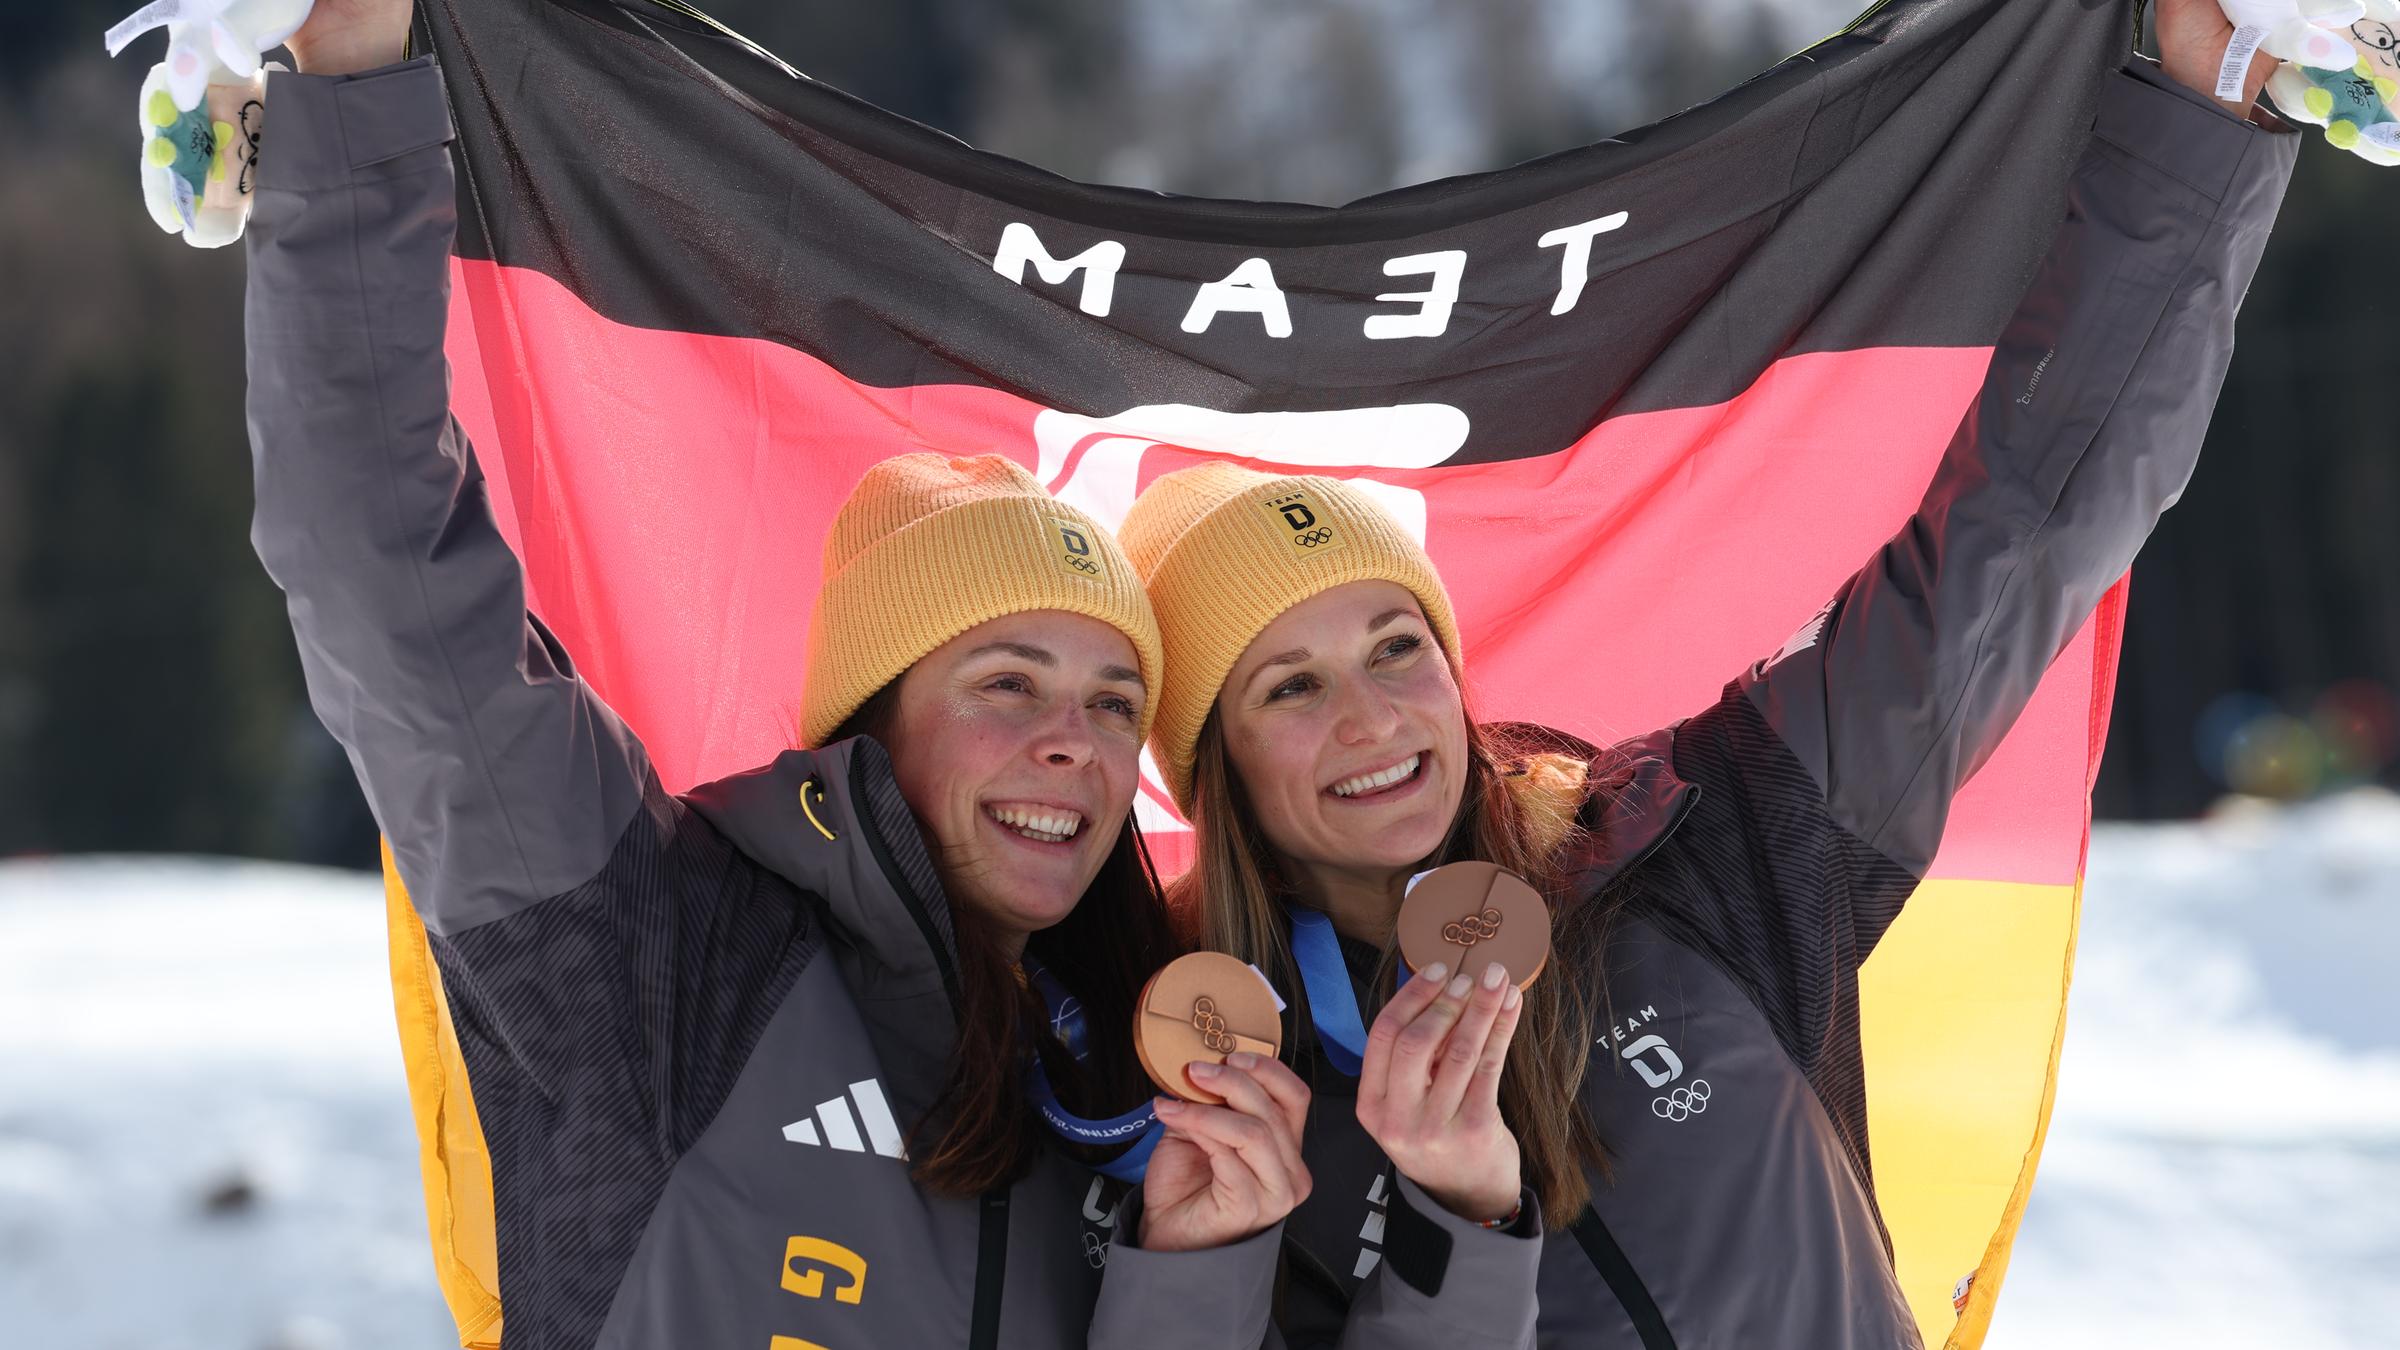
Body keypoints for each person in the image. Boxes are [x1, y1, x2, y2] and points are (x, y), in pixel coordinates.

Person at [1113, 2, 2302, 1344]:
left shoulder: (1702, 843)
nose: (1374, 712)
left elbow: (2019, 531)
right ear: (1212, 764)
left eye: (1399, 647)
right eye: (1291, 685)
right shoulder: (1218, 1100)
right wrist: (1452, 1218)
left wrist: (2213, 111)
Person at [246, 3, 1317, 1348]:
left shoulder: (1137, 1085)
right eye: (1006, 682)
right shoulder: (654, 942)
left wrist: (1198, 1270)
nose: (1074, 744)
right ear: (873, 719)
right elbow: (377, 557)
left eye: (1115, 701)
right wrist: (349, 87)